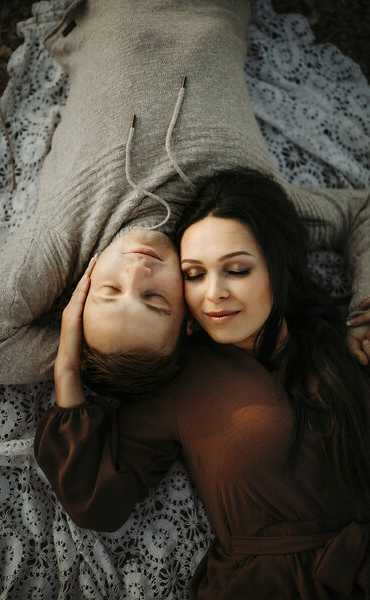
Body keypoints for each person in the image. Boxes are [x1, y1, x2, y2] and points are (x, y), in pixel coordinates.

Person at [0, 0, 370, 387]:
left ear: (80, 294)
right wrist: (364, 310)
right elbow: (362, 210)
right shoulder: (253, 221)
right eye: (155, 299)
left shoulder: (66, 237)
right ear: (189, 316)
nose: (136, 271)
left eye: (109, 291)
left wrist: (79, 352)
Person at [35, 168, 370, 599]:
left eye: (237, 270)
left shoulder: (345, 338)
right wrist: (66, 364)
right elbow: (97, 501)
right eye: (194, 274)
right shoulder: (182, 381)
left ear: (277, 266)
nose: (213, 294)